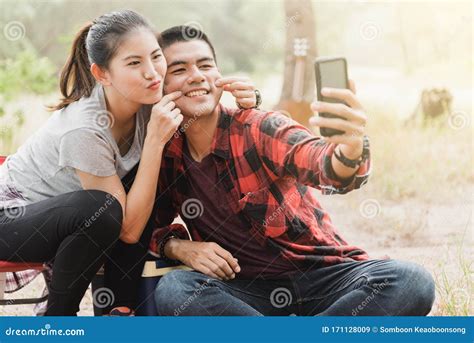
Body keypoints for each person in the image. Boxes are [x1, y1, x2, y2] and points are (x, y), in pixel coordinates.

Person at [149, 25, 436, 316]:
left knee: (412, 280)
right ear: (161, 86)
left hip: (323, 277)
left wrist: (348, 151)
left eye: (205, 65)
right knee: (177, 288)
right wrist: (179, 247)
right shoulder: (166, 153)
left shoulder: (257, 127)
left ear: (220, 77)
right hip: (246, 291)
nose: (197, 75)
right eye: (179, 69)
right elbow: (148, 226)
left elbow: (321, 162)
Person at [0, 11, 257, 316]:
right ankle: (58, 322)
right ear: (102, 74)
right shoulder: (84, 129)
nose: (153, 73)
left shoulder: (149, 97)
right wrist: (153, 142)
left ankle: (119, 311)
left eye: (156, 57)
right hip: (13, 219)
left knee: (135, 190)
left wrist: (251, 99)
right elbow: (126, 230)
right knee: (104, 208)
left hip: (73, 218)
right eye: (134, 63)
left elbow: (202, 105)